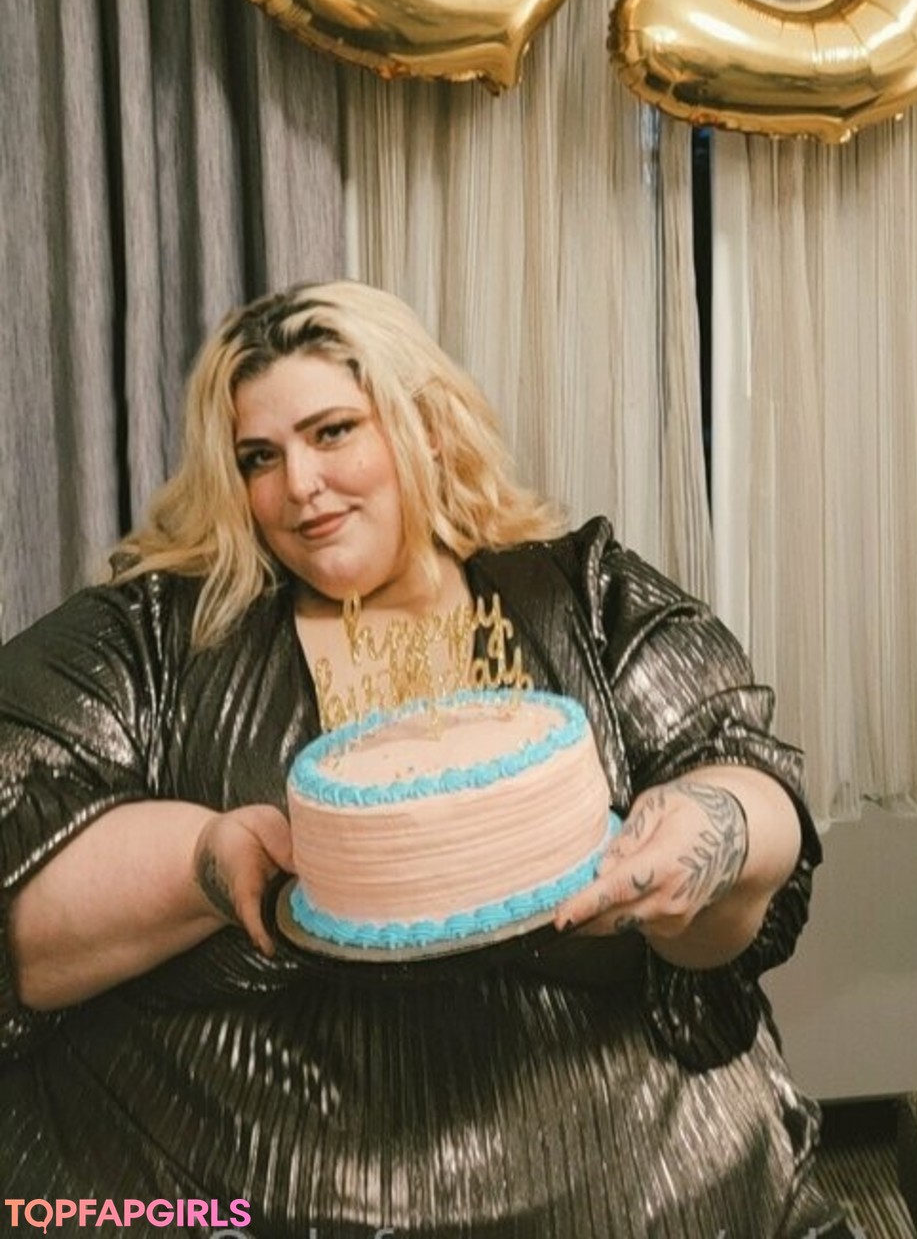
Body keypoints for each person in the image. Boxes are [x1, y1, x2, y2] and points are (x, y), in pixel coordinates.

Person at [0, 280, 852, 1238]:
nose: (299, 484)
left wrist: (709, 833)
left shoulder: (581, 591)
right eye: (258, 457)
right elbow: (19, 902)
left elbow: (744, 781)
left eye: (332, 431)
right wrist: (203, 859)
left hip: (612, 1163)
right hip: (247, 1169)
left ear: (427, 428)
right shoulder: (157, 633)